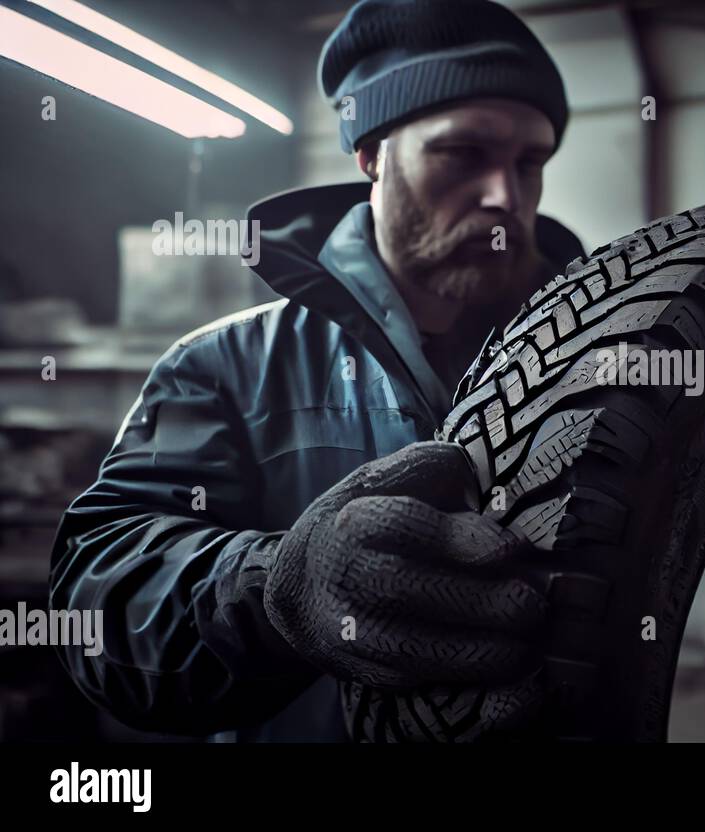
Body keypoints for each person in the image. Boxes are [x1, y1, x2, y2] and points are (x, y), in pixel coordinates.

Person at [48, 0, 583, 741]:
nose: (505, 197)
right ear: (372, 154)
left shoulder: (591, 365)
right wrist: (275, 592)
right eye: (463, 153)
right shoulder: (219, 368)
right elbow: (92, 603)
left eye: (531, 162)